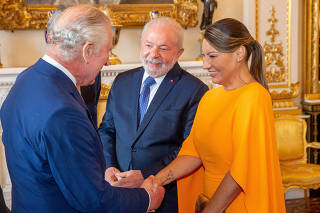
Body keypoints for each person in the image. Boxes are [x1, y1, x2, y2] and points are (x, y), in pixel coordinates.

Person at [0, 5, 165, 213]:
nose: (107, 61)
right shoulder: (63, 112)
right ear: (87, 51)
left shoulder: (26, 79)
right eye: (107, 52)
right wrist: (147, 198)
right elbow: (93, 201)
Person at [154, 18, 286, 213]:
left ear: (239, 53)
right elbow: (192, 154)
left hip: (239, 207)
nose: (205, 65)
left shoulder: (255, 97)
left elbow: (241, 169)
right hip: (209, 202)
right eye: (204, 56)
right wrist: (155, 181)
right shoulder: (209, 98)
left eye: (212, 56)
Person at [98, 17, 208, 212]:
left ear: (179, 53)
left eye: (163, 48)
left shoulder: (194, 90)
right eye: (148, 45)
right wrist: (109, 166)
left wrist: (145, 175)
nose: (153, 54)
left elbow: (188, 149)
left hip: (166, 196)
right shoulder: (122, 81)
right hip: (119, 193)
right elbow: (107, 130)